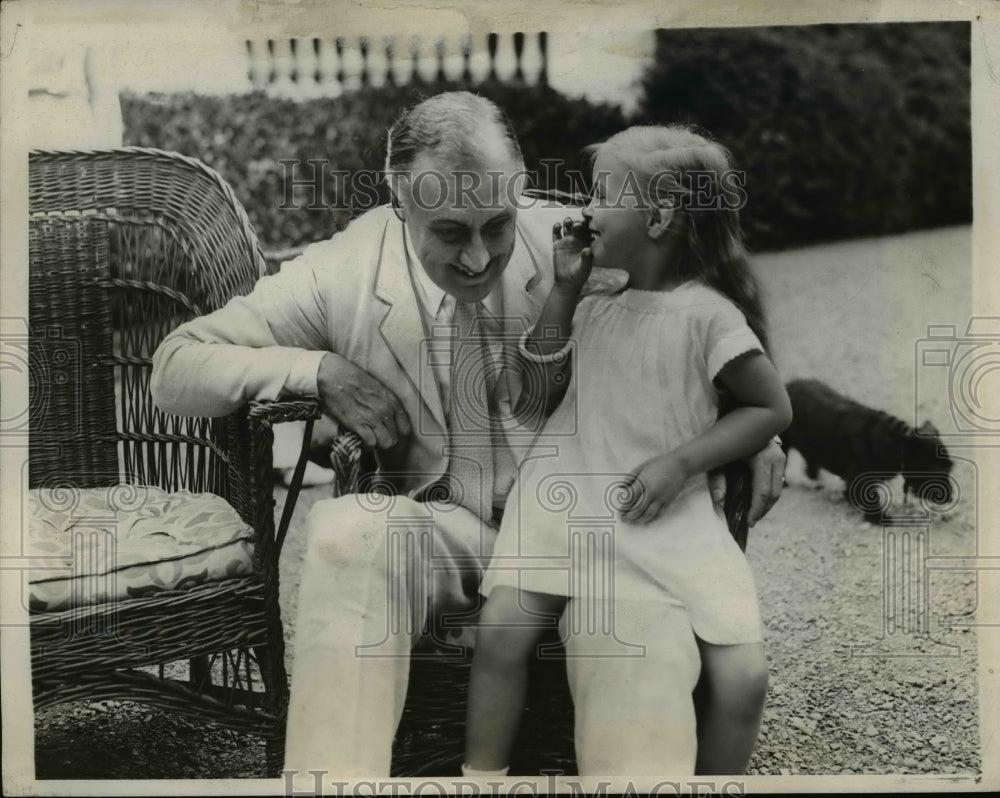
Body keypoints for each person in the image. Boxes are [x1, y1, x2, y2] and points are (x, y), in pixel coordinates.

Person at [151, 92, 786, 779]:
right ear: (400, 202)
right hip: (443, 533)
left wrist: (753, 435)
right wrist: (316, 370)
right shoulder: (342, 270)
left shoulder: (579, 240)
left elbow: (706, 317)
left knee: (640, 645)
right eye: (451, 233)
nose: (481, 258)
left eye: (499, 224)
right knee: (346, 531)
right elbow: (176, 367)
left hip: (595, 532)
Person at [465, 125, 792, 777]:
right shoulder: (590, 297)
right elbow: (538, 389)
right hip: (565, 501)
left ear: (661, 215)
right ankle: (481, 779)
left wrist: (682, 462)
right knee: (502, 629)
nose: (584, 209)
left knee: (745, 675)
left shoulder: (708, 316)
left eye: (603, 193)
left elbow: (771, 407)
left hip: (660, 510)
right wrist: (562, 289)